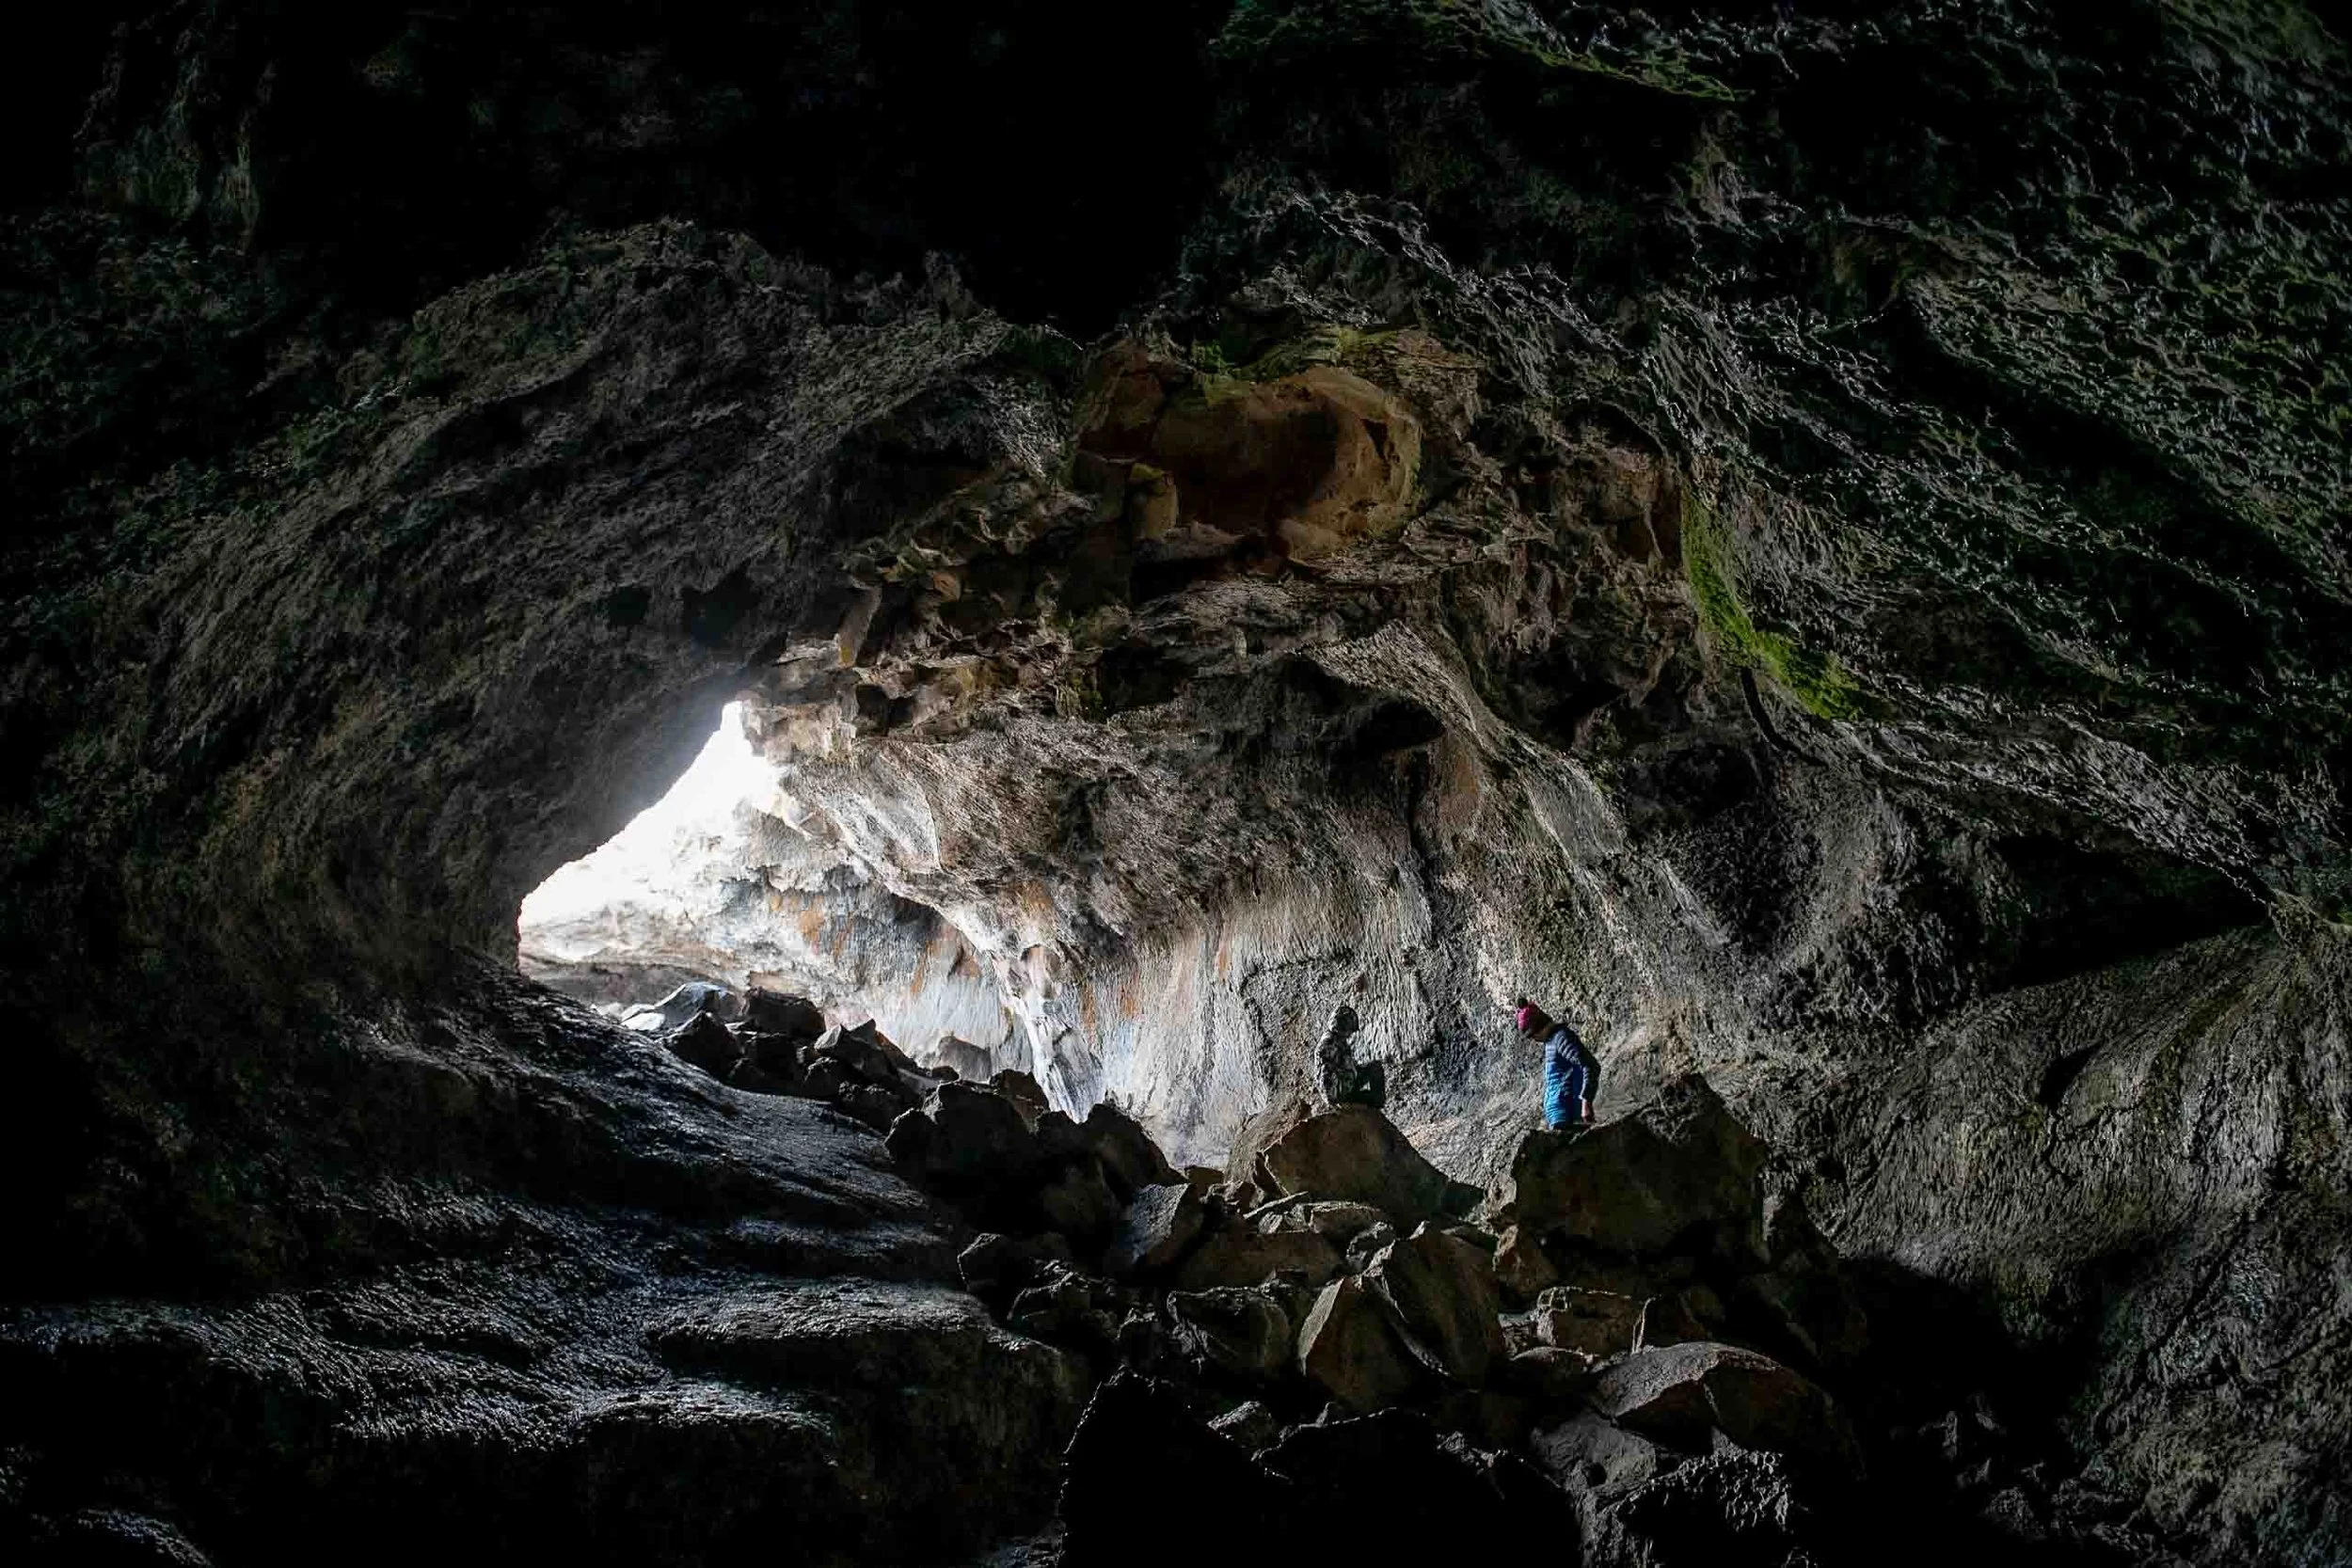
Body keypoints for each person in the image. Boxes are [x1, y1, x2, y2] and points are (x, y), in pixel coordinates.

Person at [1513, 997, 1597, 1129]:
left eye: (1531, 1035)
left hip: (1568, 1115)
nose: (1533, 1039)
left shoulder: (1561, 1038)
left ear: (1538, 1026)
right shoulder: (1550, 1041)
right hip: (1559, 1116)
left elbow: (1590, 1065)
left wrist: (1586, 1102)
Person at [1315, 1004, 1386, 1111]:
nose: (1350, 1034)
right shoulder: (1329, 1044)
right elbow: (1325, 1075)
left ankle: (1373, 1108)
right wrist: (1337, 1103)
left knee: (1374, 1068)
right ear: (1343, 1026)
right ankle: (1371, 1110)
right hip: (1341, 1095)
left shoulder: (1337, 1041)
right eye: (1350, 1030)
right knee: (1374, 1093)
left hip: (1345, 1086)